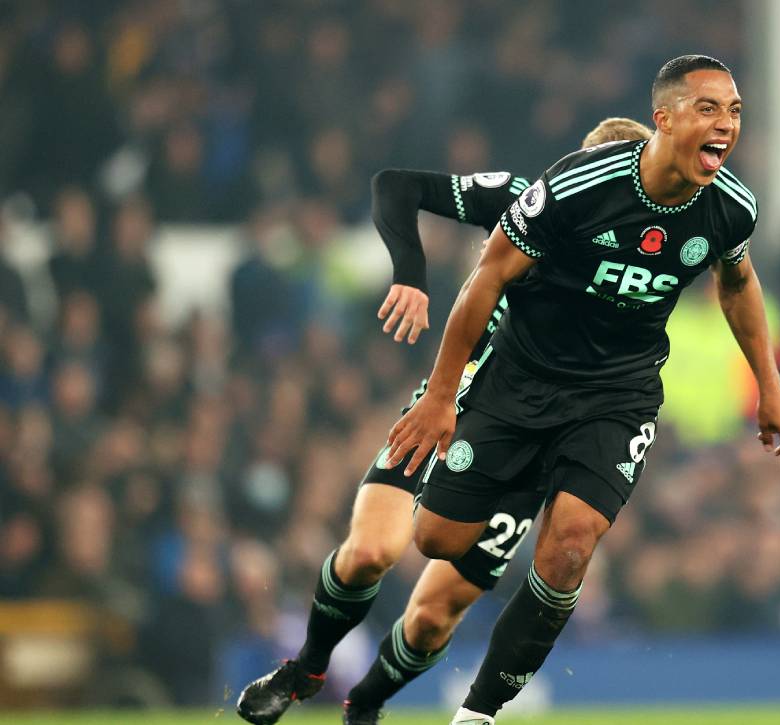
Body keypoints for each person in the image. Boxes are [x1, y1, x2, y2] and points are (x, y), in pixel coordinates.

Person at [383, 55, 780, 725]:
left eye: (736, 111)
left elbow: (738, 282)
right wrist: (438, 395)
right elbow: (484, 278)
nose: (727, 125)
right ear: (663, 119)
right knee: (434, 539)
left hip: (617, 395)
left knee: (571, 547)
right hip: (523, 382)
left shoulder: (730, 207)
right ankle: (514, 486)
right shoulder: (576, 186)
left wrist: (770, 386)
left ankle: (478, 713)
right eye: (709, 109)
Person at [235, 118, 653, 725]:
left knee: (432, 617)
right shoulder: (530, 203)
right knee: (371, 552)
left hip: (531, 449)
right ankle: (306, 667)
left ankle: (365, 704)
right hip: (452, 407)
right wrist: (409, 270)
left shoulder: (648, 262)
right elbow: (396, 185)